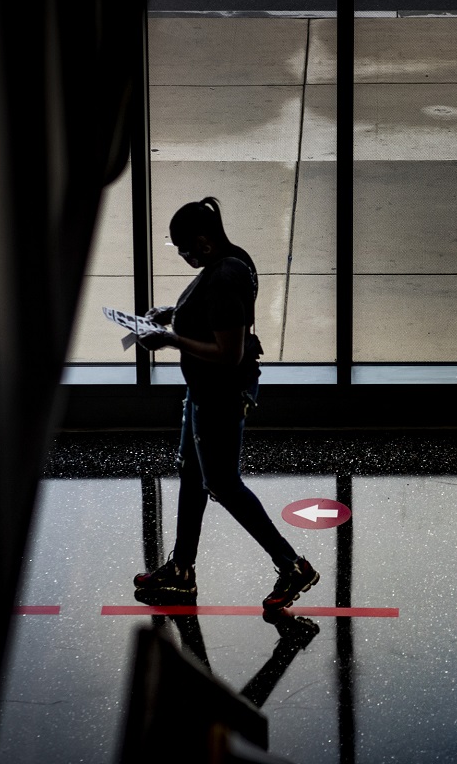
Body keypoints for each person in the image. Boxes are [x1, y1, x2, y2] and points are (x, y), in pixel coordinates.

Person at [131, 196, 319, 612]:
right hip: (205, 392)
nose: (183, 257)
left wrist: (172, 339)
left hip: (219, 394)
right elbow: (213, 313)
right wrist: (173, 313)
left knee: (222, 484)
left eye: (185, 250)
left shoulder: (223, 277)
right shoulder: (234, 259)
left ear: (204, 242)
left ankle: (293, 566)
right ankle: (181, 569)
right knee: (194, 474)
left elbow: (227, 352)